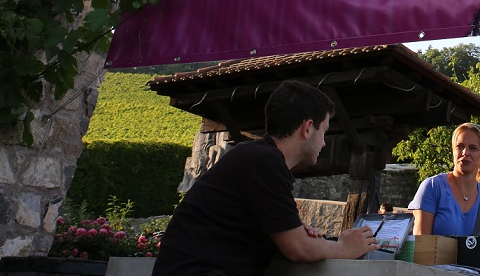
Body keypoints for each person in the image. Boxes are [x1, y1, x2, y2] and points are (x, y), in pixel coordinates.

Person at [152, 80, 380, 275]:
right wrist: (344, 247)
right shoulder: (264, 163)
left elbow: (279, 237)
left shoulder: (255, 157)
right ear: (308, 128)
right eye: (324, 132)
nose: (323, 143)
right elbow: (298, 249)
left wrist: (292, 228)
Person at [408, 122, 480, 236]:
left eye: (473, 148)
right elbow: (421, 242)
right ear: (453, 150)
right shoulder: (433, 187)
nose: (465, 153)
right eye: (460, 146)